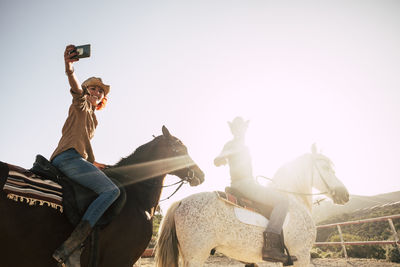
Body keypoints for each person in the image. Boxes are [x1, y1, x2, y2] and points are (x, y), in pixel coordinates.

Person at [50, 44, 120, 266]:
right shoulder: (81, 104)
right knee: (111, 190)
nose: (97, 92)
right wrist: (69, 69)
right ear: (87, 90)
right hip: (68, 158)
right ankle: (72, 246)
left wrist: (98, 165)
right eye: (93, 88)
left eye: (101, 91)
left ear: (102, 99)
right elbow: (75, 89)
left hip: (77, 159)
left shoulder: (94, 119)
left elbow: (86, 151)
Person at [214, 116, 290, 263]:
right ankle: (271, 246)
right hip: (244, 184)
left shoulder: (246, 147)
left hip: (248, 182)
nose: (240, 131)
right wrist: (224, 158)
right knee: (282, 201)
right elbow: (217, 160)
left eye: (242, 128)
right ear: (233, 130)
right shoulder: (231, 144)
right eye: (237, 128)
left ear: (245, 129)